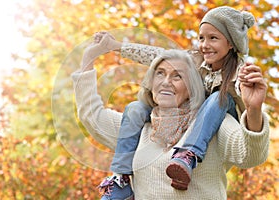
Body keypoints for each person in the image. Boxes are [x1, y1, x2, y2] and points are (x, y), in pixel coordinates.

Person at [71, 33, 269, 199]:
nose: (166, 82)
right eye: (160, 73)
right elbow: (91, 115)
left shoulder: (213, 123)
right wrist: (88, 58)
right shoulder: (138, 128)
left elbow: (250, 156)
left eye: (177, 76)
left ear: (193, 87)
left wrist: (253, 110)